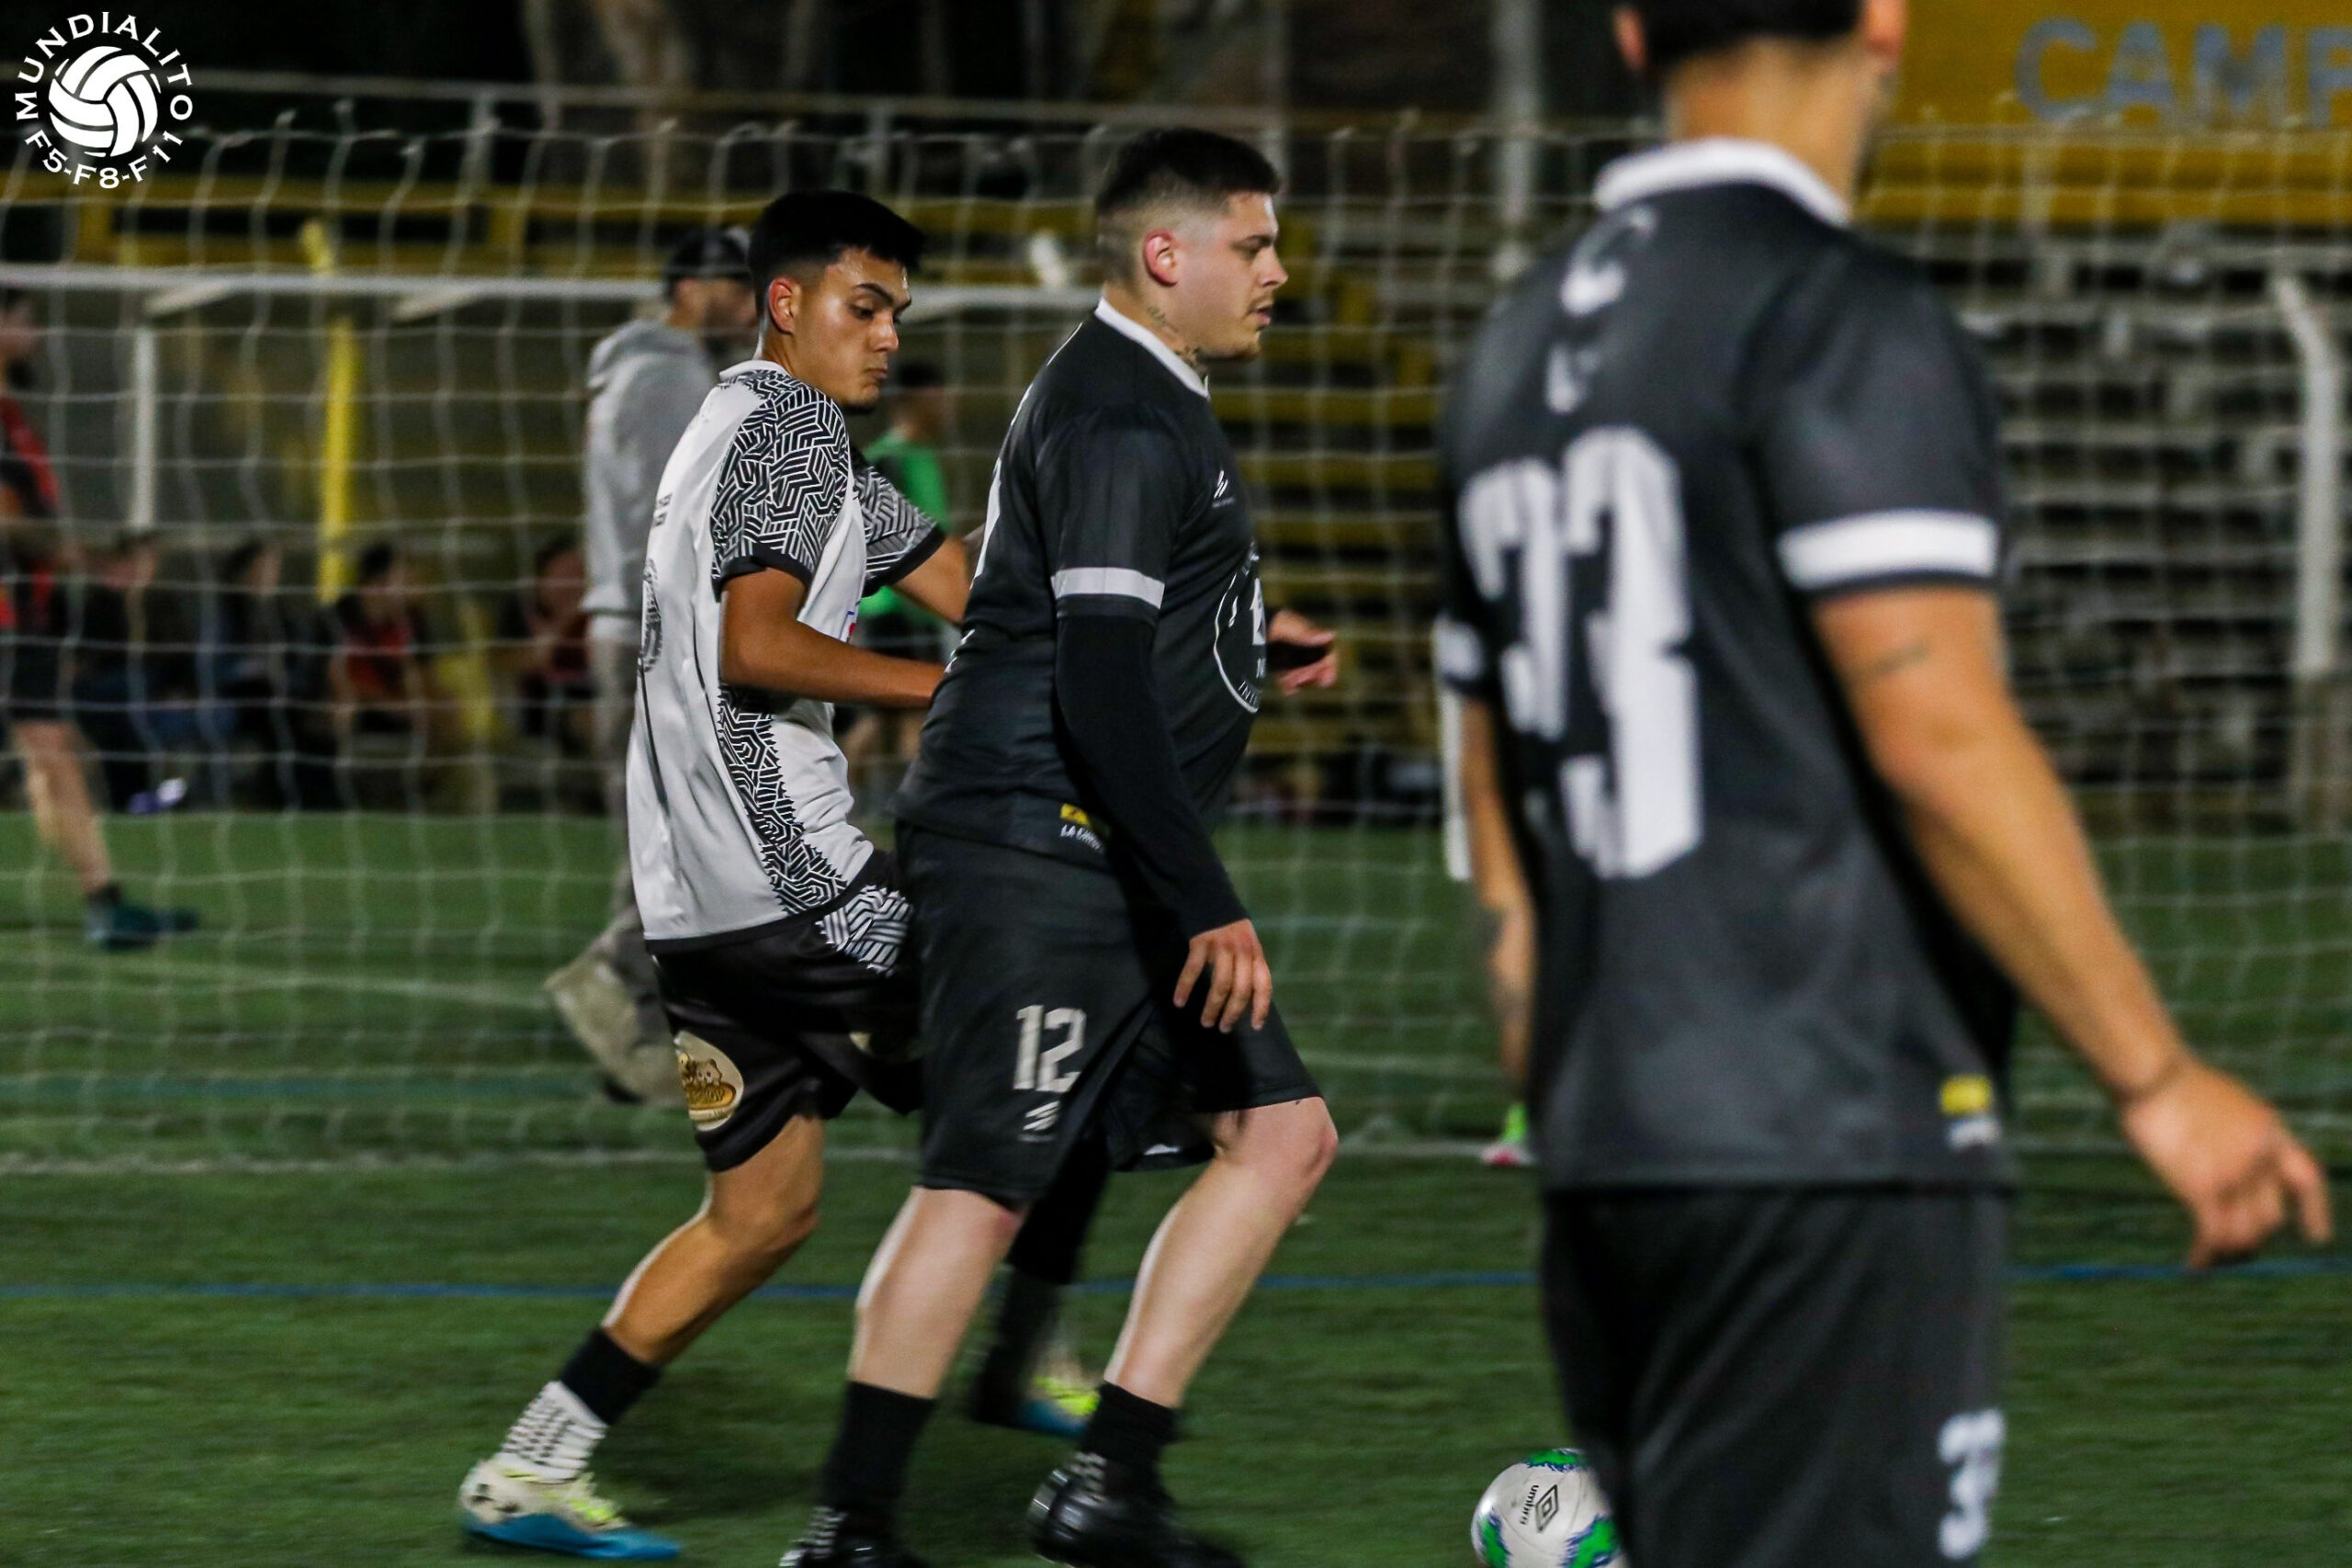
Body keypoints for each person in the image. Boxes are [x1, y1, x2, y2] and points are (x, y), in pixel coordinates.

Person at [1437, 5, 2335, 1567]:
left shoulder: (1507, 349)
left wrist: (1575, 1071)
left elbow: (1491, 783)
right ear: (1884, 22)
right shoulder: (1838, 310)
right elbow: (1935, 728)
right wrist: (2155, 1078)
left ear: (1634, 30)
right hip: (1831, 1125)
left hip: (1614, 1133)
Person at [457, 190, 1112, 1562]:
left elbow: (973, 583)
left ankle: (530, 1464)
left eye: (897, 315)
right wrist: (961, 693)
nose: (887, 336)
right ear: (787, 303)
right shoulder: (791, 435)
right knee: (1074, 1046)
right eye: (864, 307)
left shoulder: (747, 434)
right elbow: (756, 647)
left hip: (697, 915)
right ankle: (1015, 1363)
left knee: (761, 1215)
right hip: (799, 890)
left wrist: (1167, 630)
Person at [786, 129, 1343, 1568]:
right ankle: (849, 1531)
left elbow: (1098, 619)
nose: (1277, 272)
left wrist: (1243, 638)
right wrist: (1204, 897)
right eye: (1254, 244)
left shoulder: (1146, 398)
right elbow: (1094, 678)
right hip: (1042, 848)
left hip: (1098, 854)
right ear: (1167, 252)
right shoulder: (1119, 410)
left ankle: (1112, 1485)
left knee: (1283, 1134)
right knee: (984, 1182)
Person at [543, 228, 757, 1104]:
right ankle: (618, 973)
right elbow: (681, 517)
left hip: (631, 621)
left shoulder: (636, 372)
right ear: (690, 286)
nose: (751, 305)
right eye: (739, 286)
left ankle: (642, 1031)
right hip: (661, 624)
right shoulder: (669, 378)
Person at [0, 288, 195, 948]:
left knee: (53, 753)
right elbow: (9, 521)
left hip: (21, 616)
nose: (34, 330)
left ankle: (104, 903)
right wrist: (89, 558)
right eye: (21, 318)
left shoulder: (13, 415)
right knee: (51, 753)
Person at [842, 359, 952, 796]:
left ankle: (864, 803)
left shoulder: (923, 456)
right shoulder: (887, 460)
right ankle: (910, 804)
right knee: (908, 713)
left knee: (885, 718)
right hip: (893, 609)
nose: (947, 404)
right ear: (913, 398)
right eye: (939, 394)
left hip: (919, 610)